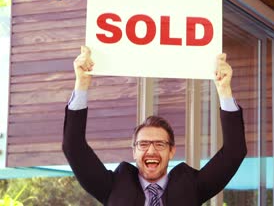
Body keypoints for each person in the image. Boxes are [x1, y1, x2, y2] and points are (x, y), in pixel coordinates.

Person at [62, 46, 247, 206]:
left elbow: (234, 151)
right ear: (134, 151)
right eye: (143, 144)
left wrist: (224, 91)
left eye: (160, 144)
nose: (151, 151)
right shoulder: (114, 185)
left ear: (172, 151)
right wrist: (82, 85)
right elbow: (74, 148)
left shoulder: (191, 186)